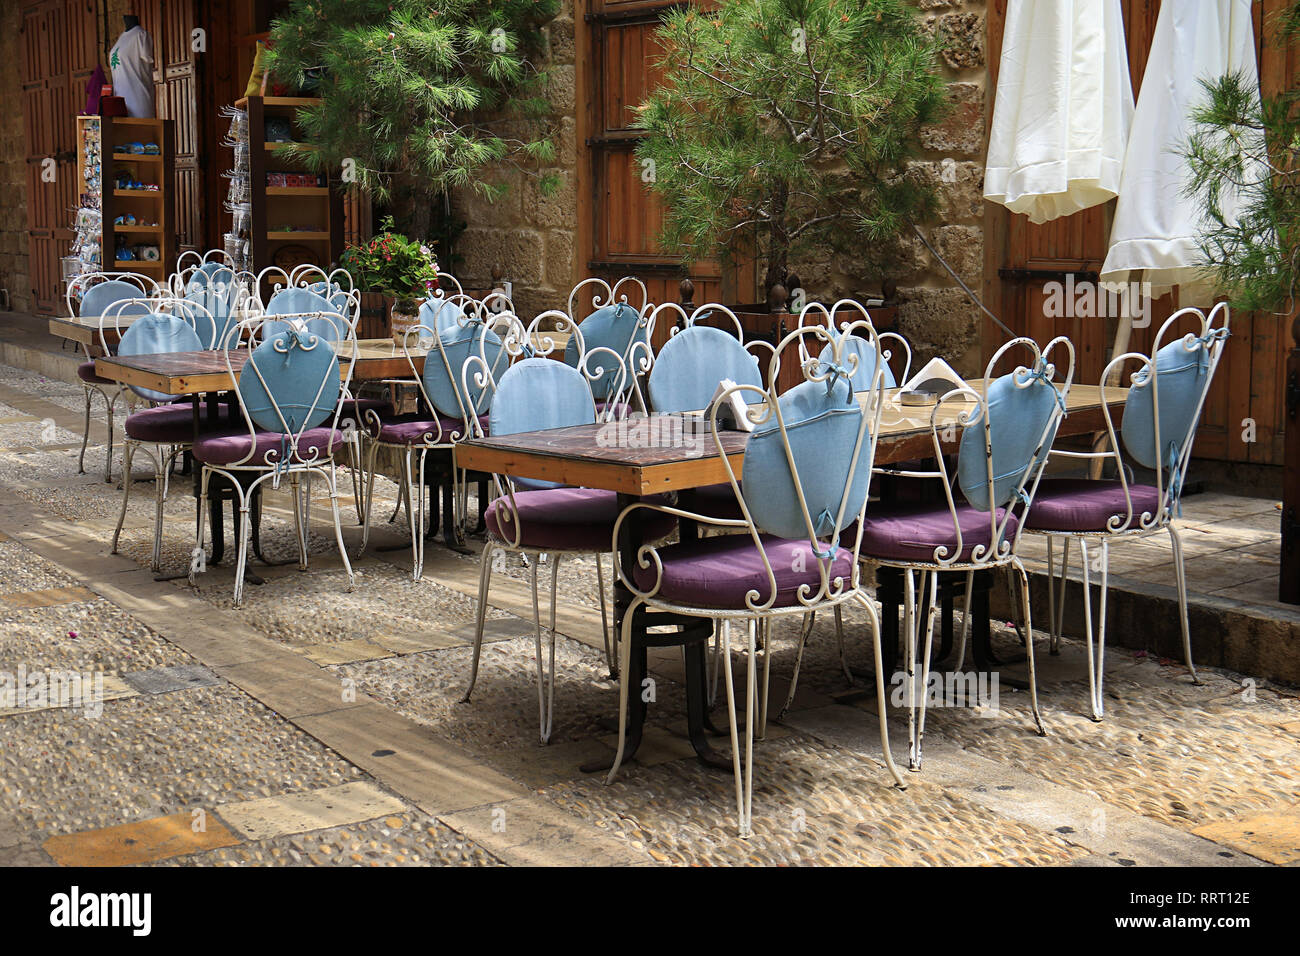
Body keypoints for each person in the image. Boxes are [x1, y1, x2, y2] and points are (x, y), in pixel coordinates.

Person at [108, 15, 155, 119]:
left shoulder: (141, 35)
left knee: (141, 133)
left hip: (138, 99)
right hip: (121, 103)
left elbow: (147, 58)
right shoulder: (121, 38)